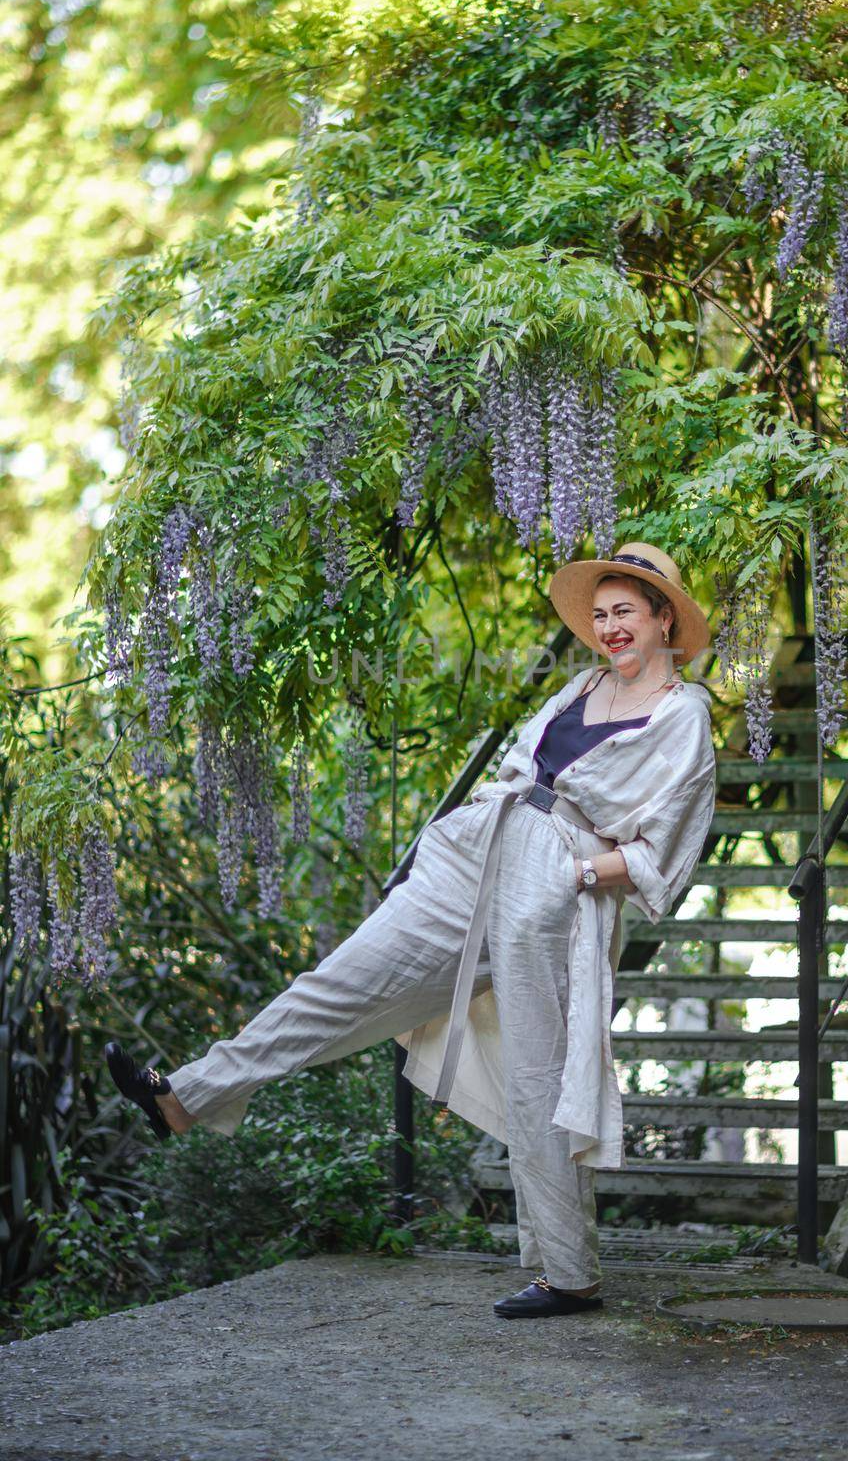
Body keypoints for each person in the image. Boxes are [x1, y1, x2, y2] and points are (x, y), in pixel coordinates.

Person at [105, 541, 717, 1319]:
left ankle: (566, 1274)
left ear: (664, 617)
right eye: (598, 615)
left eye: (624, 611)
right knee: (343, 981)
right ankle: (187, 1095)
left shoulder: (681, 717)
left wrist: (571, 878)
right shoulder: (578, 687)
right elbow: (517, 775)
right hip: (477, 860)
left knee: (540, 1080)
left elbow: (664, 850)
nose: (609, 627)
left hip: (554, 892)